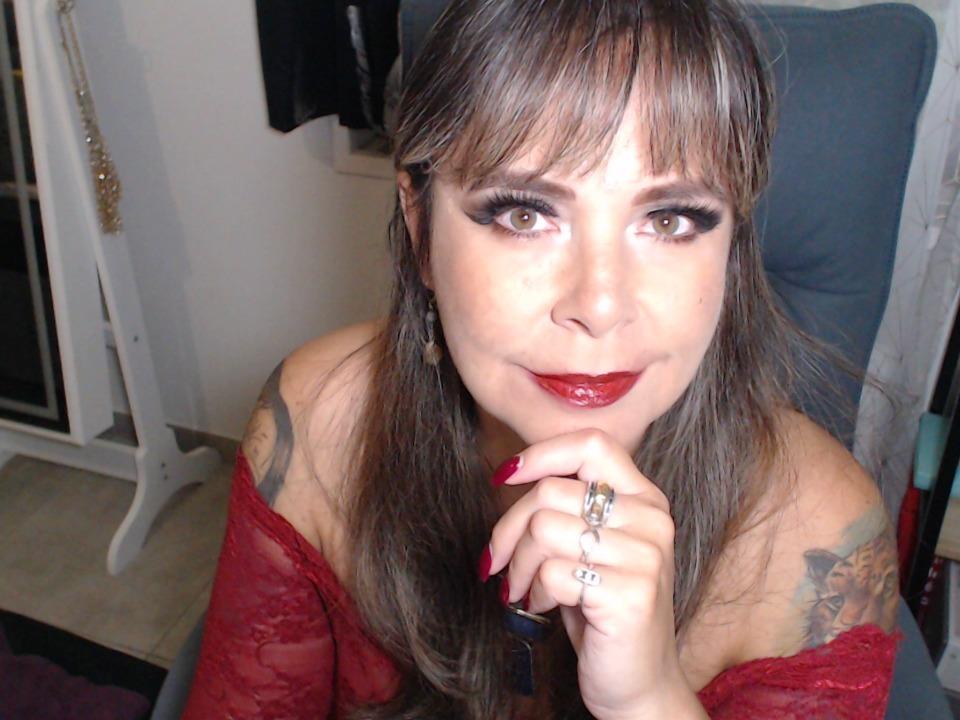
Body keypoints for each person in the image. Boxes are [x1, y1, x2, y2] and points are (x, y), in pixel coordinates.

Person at [182, 0, 901, 717]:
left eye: (669, 219)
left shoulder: (817, 535)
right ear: (420, 226)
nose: (599, 304)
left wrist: (649, 700)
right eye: (525, 214)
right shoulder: (319, 421)